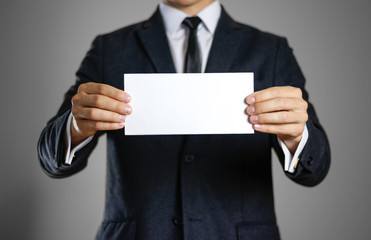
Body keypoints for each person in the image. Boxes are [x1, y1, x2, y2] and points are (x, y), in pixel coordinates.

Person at [38, 0, 330, 239]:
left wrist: (296, 136)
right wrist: (76, 127)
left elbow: (315, 166)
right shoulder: (110, 49)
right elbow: (51, 158)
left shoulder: (270, 51)